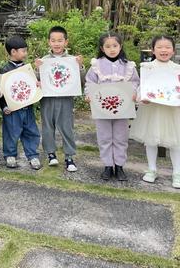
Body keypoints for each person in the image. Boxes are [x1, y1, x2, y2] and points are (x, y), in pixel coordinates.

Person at [84, 33, 139, 181]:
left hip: (123, 108)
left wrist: (134, 93)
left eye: (115, 46)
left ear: (120, 46)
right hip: (102, 108)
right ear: (102, 48)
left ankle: (119, 166)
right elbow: (90, 82)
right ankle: (108, 165)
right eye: (108, 46)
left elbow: (135, 83)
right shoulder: (96, 65)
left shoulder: (128, 66)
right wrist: (89, 94)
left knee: (121, 137)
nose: (112, 49)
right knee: (104, 136)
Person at [130, 35, 180, 189]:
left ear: (173, 50)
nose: (163, 50)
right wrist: (140, 97)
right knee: (150, 139)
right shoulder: (147, 68)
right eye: (159, 47)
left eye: (167, 47)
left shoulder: (177, 69)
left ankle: (177, 173)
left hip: (173, 110)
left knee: (176, 142)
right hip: (151, 108)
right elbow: (141, 88)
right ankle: (152, 169)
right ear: (153, 50)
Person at [35, 26, 84, 172]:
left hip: (65, 99)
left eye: (60, 40)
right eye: (53, 40)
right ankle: (51, 154)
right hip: (48, 99)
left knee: (67, 127)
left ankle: (69, 156)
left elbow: (81, 81)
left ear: (66, 42)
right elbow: (37, 81)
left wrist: (80, 67)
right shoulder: (43, 61)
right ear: (48, 42)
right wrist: (37, 71)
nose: (57, 44)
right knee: (47, 127)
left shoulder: (72, 60)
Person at [0, 35, 41, 170]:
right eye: (23, 51)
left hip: (27, 107)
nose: (25, 53)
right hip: (12, 110)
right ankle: (10, 155)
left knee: (31, 131)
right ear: (13, 52)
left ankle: (32, 155)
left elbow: (33, 86)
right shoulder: (4, 70)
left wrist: (37, 86)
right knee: (11, 132)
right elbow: (1, 91)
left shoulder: (28, 69)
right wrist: (4, 106)